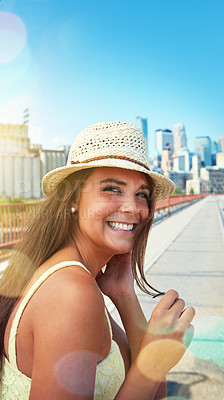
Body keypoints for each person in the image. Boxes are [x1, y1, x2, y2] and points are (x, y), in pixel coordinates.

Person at [0, 121, 195, 400]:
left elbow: (154, 393)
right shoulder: (71, 293)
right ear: (74, 199)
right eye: (112, 189)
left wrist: (123, 293)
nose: (133, 208)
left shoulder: (75, 278)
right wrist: (154, 363)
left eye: (142, 194)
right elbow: (148, 378)